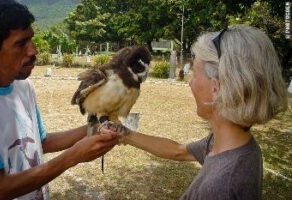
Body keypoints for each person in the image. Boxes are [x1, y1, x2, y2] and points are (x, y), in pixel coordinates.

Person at [102, 24, 288, 199]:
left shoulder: (220, 188)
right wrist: (123, 134)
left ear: (215, 89)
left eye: (195, 74)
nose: (190, 82)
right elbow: (178, 151)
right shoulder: (232, 144)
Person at [0, 1, 119, 199]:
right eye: (20, 43)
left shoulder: (24, 88)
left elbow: (40, 142)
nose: (33, 50)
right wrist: (73, 156)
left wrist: (94, 128)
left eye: (31, 40)